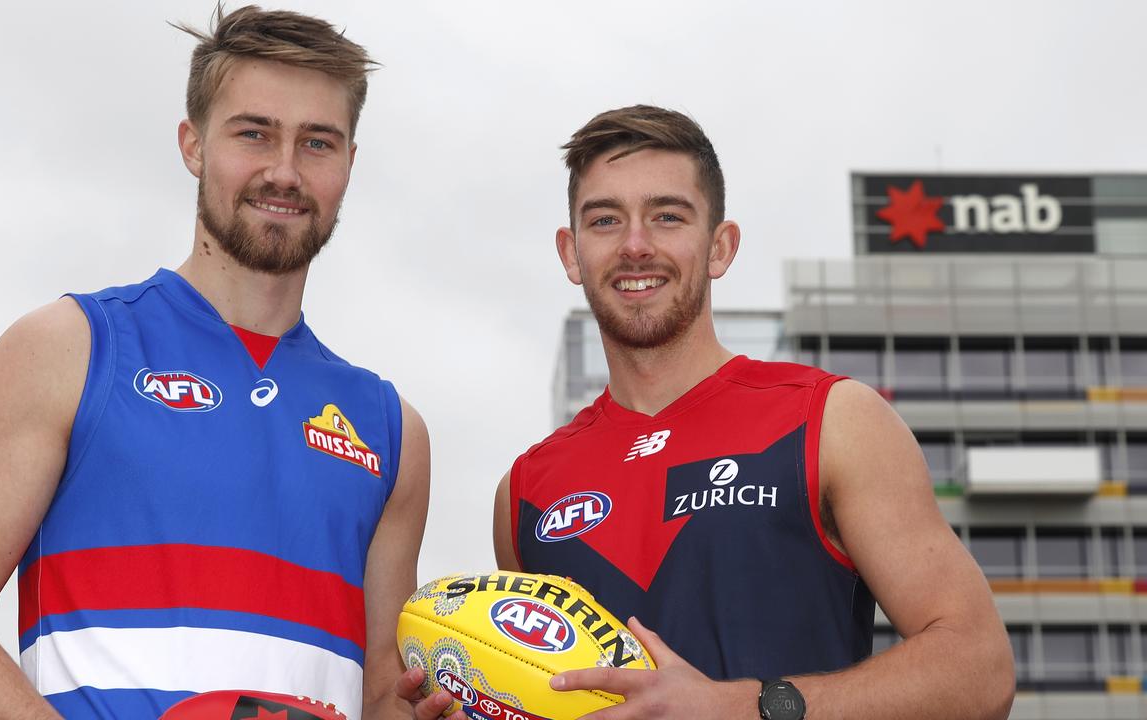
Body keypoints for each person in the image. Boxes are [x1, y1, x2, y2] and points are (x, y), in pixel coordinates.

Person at [0, 7, 427, 720]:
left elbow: (381, 699)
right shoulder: (67, 350)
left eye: (317, 143)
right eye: (253, 133)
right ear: (193, 145)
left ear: (350, 164)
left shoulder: (392, 430)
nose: (283, 170)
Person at [398, 105, 1013, 720]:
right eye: (606, 219)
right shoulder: (526, 490)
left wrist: (742, 707)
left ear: (720, 247)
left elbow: (979, 669)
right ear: (572, 253)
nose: (636, 246)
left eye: (668, 217)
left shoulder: (830, 419)